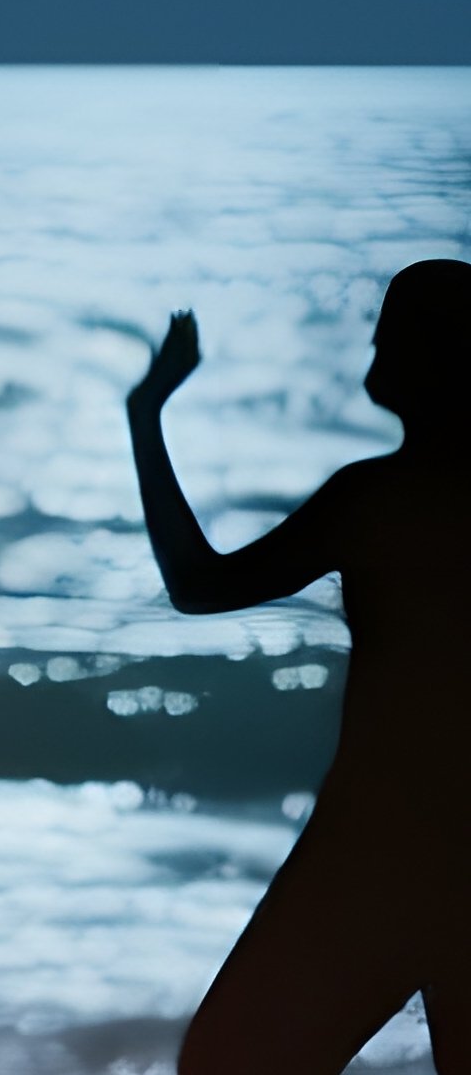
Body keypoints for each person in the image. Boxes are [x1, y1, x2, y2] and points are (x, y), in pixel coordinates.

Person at [128, 259, 471, 1075]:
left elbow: (198, 586)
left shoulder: (376, 500)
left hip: (374, 849)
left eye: (391, 336)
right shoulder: (382, 497)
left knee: (226, 1058)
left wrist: (146, 415)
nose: (374, 347)